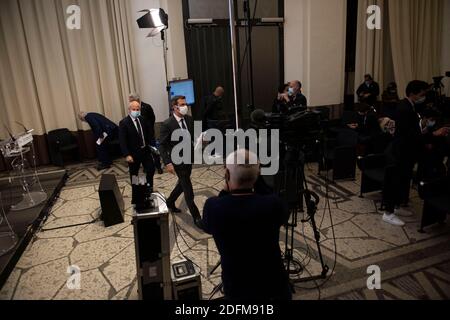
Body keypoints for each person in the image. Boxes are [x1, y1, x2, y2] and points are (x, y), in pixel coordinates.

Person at [202, 149, 291, 300]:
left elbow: (208, 225)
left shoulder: (214, 207)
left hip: (238, 288)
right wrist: (256, 177)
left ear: (227, 175)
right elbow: (277, 207)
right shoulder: (273, 204)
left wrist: (226, 188)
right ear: (258, 175)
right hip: (275, 286)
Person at [381, 80, 431, 226]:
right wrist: (428, 134)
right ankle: (388, 213)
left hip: (407, 152)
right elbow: (409, 134)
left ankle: (396, 206)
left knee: (403, 181)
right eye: (422, 94)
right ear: (412, 93)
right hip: (400, 152)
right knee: (395, 181)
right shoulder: (405, 108)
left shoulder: (410, 106)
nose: (423, 96)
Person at [159, 96, 203, 229]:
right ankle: (196, 217)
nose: (186, 107)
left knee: (183, 183)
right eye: (182, 104)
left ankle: (170, 202)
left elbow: (194, 136)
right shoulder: (167, 124)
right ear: (175, 107)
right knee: (187, 187)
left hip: (188, 158)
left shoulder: (189, 119)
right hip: (176, 160)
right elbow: (162, 145)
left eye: (186, 104)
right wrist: (167, 163)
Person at [119, 101, 155, 194]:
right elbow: (122, 140)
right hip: (133, 154)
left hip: (145, 151)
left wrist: (152, 146)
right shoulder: (124, 123)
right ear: (129, 110)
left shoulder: (143, 119)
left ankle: (149, 187)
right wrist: (127, 154)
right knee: (134, 174)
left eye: (137, 109)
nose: (136, 111)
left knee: (151, 169)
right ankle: (136, 191)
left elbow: (148, 134)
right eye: (133, 109)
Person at [128, 93, 163, 174]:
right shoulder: (132, 109)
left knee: (154, 150)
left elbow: (152, 118)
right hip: (139, 135)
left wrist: (148, 128)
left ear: (136, 100)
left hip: (149, 134)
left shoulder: (147, 106)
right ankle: (145, 167)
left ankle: (158, 166)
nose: (130, 103)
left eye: (131, 101)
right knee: (142, 151)